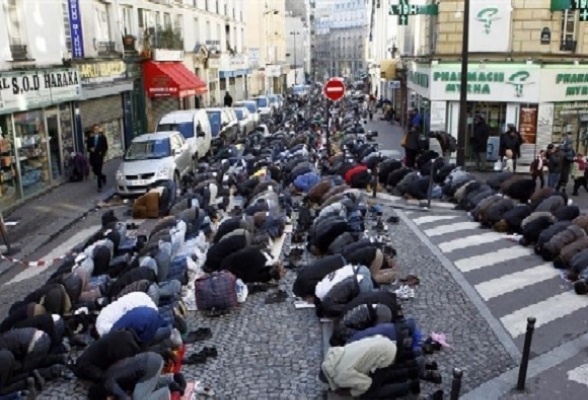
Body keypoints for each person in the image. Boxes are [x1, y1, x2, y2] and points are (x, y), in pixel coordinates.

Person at [87, 352, 184, 400]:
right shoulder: (108, 374)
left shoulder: (109, 384)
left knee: (138, 398)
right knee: (145, 386)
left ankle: (167, 390)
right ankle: (173, 378)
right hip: (150, 359)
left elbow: (126, 398)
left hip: (148, 367)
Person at [86, 124, 108, 192]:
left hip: (99, 157)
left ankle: (99, 187)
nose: (96, 130)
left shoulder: (102, 137)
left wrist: (103, 153)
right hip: (93, 157)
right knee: (95, 171)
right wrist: (90, 150)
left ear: (99, 130)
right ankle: (103, 176)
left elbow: (105, 147)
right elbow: (87, 148)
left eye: (97, 129)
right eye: (95, 129)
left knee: (99, 171)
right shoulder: (90, 138)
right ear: (93, 130)